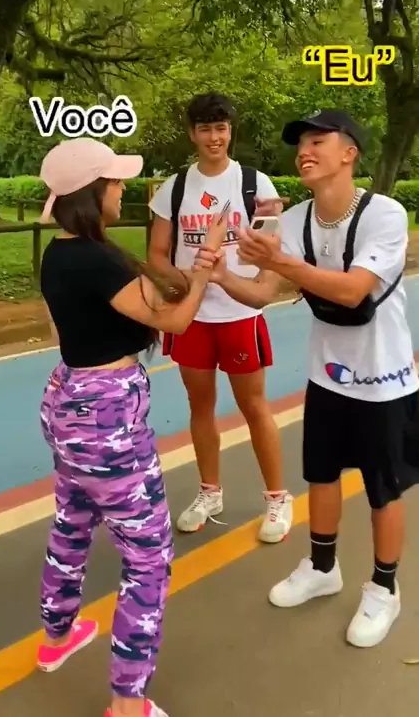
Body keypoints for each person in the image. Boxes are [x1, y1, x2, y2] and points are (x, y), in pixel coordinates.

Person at [194, 109, 419, 648]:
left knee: (383, 489)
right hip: (328, 379)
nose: (305, 150)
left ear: (349, 153)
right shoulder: (295, 220)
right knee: (321, 475)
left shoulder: (384, 214)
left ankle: (384, 589)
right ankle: (323, 568)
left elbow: (353, 290)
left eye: (318, 141)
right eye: (301, 143)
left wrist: (281, 263)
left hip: (384, 381)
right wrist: (221, 273)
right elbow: (261, 294)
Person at [36, 137, 228, 717]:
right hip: (108, 419)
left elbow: (123, 306)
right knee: (147, 556)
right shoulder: (100, 260)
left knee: (73, 519)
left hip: (68, 404)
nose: (123, 190)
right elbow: (175, 319)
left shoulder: (59, 254)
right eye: (115, 182)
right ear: (93, 192)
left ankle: (55, 637)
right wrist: (205, 268)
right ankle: (126, 700)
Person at [148, 92, 293, 543]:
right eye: (205, 129)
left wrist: (245, 272)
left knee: (254, 406)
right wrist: (189, 280)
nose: (214, 137)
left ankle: (277, 497)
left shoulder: (254, 184)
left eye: (221, 128)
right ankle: (210, 492)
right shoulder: (174, 189)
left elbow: (272, 249)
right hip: (193, 317)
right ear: (192, 134)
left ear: (231, 131)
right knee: (201, 406)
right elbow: (157, 254)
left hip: (239, 313)